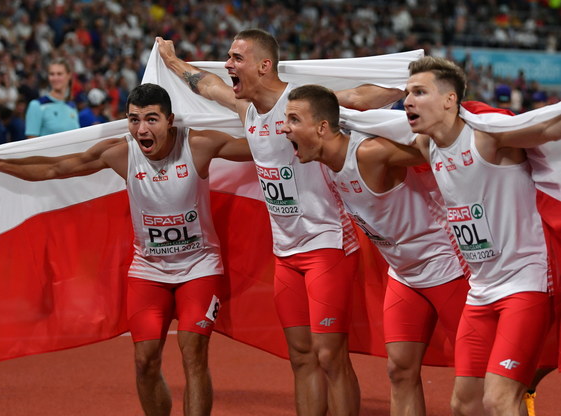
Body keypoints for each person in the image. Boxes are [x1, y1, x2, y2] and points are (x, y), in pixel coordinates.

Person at [157, 29, 404, 416]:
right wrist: (172, 62)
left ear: (264, 65)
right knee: (302, 356)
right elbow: (207, 86)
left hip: (327, 246)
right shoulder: (247, 110)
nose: (228, 64)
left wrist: (410, 83)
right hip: (286, 254)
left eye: (236, 58)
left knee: (329, 355)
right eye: (228, 57)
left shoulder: (299, 102)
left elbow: (356, 98)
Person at [0, 83, 252, 416]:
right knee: (144, 361)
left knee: (193, 351)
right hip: (149, 272)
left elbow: (260, 148)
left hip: (199, 267)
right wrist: (2, 165)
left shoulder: (198, 144)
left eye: (151, 119)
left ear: (170, 120)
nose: (142, 129)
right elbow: (57, 168)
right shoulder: (121, 152)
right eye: (134, 120)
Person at [282, 84, 469, 416]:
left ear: (322, 128)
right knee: (399, 370)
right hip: (405, 275)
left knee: (475, 377)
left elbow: (440, 146)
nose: (284, 129)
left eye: (293, 120)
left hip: (447, 266)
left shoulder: (369, 153)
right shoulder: (322, 161)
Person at [402, 56, 561, 416]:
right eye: (406, 92)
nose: (408, 100)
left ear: (449, 99)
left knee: (500, 399)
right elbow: (376, 124)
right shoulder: (428, 147)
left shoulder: (489, 138)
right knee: (464, 404)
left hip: (526, 282)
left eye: (419, 91)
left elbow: (549, 128)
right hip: (481, 290)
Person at [24, 58, 80, 138]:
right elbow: (31, 142)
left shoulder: (72, 106)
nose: (55, 78)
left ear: (69, 76)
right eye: (52, 74)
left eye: (59, 74)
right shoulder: (36, 105)